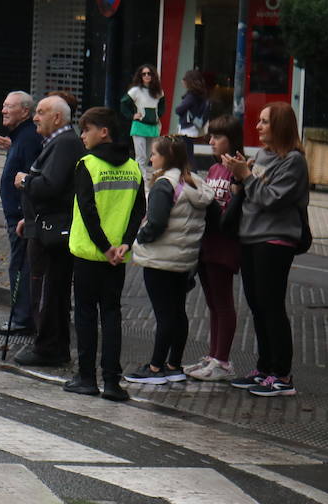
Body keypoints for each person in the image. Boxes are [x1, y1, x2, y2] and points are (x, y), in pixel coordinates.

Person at [224, 102, 309, 398]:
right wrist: (239, 176)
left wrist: (246, 176)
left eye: (264, 122)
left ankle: (282, 374)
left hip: (275, 239)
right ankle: (264, 368)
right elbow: (251, 194)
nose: (257, 127)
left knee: (272, 305)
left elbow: (272, 199)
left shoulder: (294, 161)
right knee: (257, 304)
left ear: (280, 127)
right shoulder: (261, 155)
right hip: (250, 236)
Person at [66, 106, 145, 402]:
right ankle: (112, 382)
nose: (82, 135)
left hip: (90, 254)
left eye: (86, 129)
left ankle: (86, 378)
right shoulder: (133, 166)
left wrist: (103, 246)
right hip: (117, 257)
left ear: (104, 132)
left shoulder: (88, 164)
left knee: (85, 315)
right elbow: (139, 210)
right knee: (111, 316)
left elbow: (88, 210)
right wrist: (124, 243)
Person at [126, 137, 213, 386]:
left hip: (160, 259)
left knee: (164, 314)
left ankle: (155, 367)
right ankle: (174, 364)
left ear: (167, 158)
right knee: (178, 312)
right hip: (184, 259)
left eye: (154, 154)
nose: (151, 158)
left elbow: (156, 222)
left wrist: (139, 238)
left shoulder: (164, 185)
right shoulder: (194, 183)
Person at [15, 95, 85, 367]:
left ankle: (48, 347)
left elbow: (50, 186)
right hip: (44, 227)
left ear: (57, 117)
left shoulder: (64, 143)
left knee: (47, 291)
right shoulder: (59, 143)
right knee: (48, 289)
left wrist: (25, 181)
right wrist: (29, 219)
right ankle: (51, 345)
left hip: (53, 234)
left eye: (41, 112)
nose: (35, 117)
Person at [189, 114, 242, 381]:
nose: (211, 141)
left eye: (217, 137)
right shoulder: (212, 170)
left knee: (223, 301)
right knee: (212, 301)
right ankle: (213, 355)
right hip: (207, 241)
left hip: (225, 243)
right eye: (211, 136)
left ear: (231, 140)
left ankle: (222, 360)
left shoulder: (237, 168)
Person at [0, 91, 42, 336]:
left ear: (24, 111)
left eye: (9, 107)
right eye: (3, 106)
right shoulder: (21, 137)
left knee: (20, 266)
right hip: (17, 215)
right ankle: (23, 316)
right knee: (20, 265)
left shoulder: (29, 137)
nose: (3, 110)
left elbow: (32, 176)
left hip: (22, 217)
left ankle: (22, 319)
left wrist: (26, 214)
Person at [121, 64, 165, 181]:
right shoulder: (135, 91)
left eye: (149, 73)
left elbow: (162, 106)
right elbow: (124, 103)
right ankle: (141, 180)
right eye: (144, 74)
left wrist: (157, 116)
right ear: (140, 76)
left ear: (153, 75)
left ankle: (141, 179)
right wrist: (132, 116)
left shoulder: (158, 91)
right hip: (139, 126)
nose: (146, 76)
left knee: (148, 156)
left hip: (152, 127)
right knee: (140, 156)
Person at [173, 69, 208, 157]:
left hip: (187, 128)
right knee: (188, 152)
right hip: (193, 126)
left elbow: (178, 110)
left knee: (187, 154)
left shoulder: (191, 96)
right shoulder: (199, 95)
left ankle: (192, 171)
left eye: (184, 79)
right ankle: (191, 170)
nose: (182, 81)